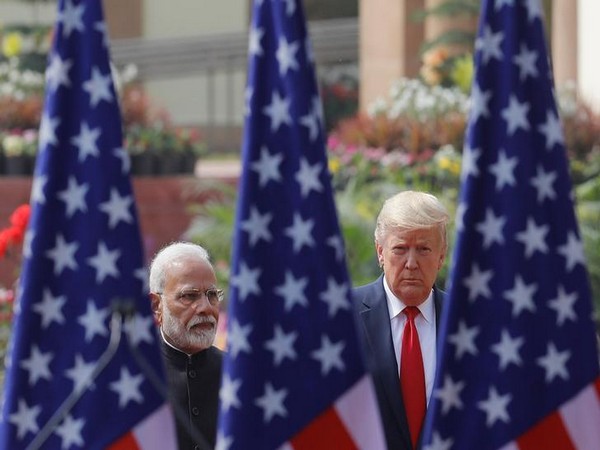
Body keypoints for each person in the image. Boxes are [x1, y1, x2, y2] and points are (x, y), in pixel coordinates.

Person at [353, 190, 449, 450]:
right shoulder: (342, 318)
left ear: (442, 255)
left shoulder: (466, 321)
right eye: (400, 249)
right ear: (380, 252)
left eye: (423, 249)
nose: (411, 263)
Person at [149, 241, 224, 450]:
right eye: (189, 296)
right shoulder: (139, 374)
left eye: (212, 295)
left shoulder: (238, 372)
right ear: (157, 306)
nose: (205, 308)